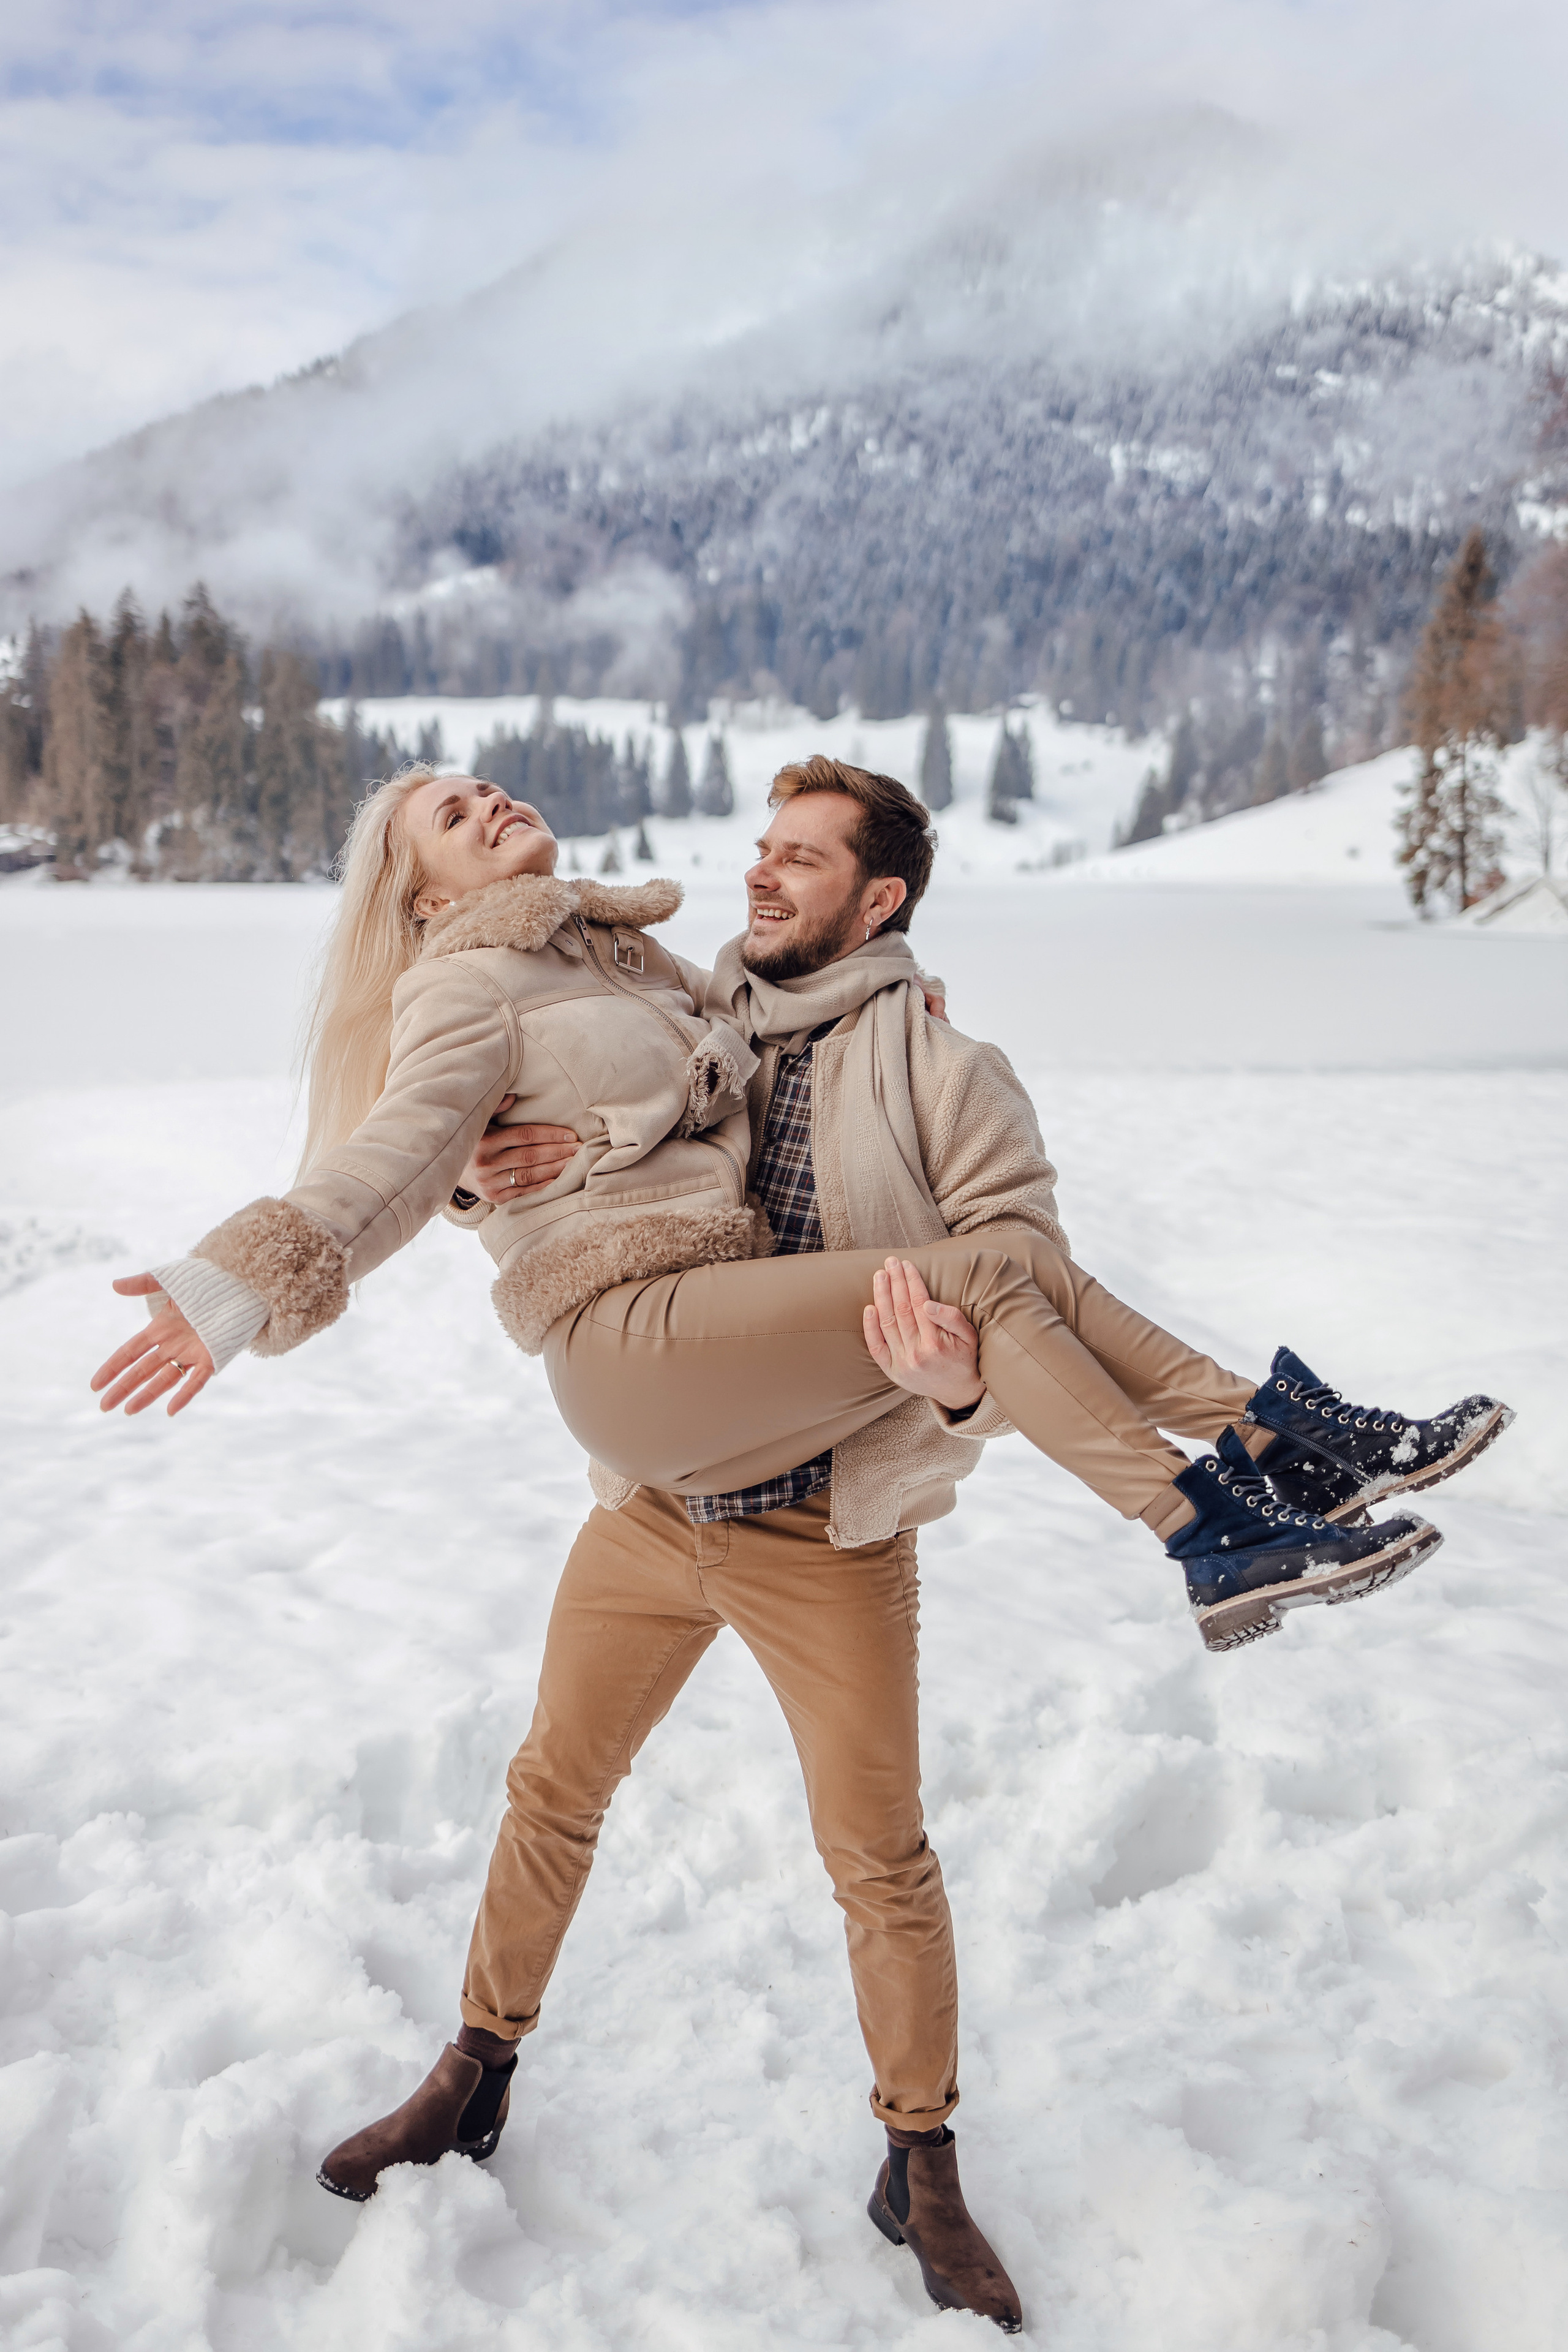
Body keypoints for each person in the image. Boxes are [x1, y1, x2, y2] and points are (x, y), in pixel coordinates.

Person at [91, 756, 1510, 2330]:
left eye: (796, 860)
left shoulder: (863, 1041)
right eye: (447, 811)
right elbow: (406, 1149)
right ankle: (470, 2070)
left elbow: (1008, 1277)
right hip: (648, 1473)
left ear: (874, 900)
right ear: (421, 889)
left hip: (818, 1513)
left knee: (880, 1852)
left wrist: (946, 1377)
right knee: (554, 1791)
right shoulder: (506, 974)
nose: (757, 878)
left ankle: (922, 2164)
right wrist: (247, 1284)